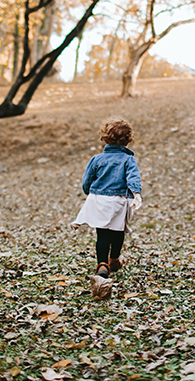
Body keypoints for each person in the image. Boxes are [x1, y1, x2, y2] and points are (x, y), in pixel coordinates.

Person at [72, 118, 142, 278]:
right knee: (118, 232)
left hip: (99, 199)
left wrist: (89, 192)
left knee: (102, 234)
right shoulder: (128, 159)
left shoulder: (96, 159)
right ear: (128, 140)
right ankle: (114, 259)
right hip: (118, 200)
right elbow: (133, 177)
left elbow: (87, 180)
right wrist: (136, 193)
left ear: (105, 138)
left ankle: (102, 264)